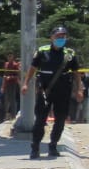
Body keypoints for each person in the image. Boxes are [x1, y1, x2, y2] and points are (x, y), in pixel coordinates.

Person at [22, 24, 84, 159]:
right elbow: (32, 69)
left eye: (63, 37)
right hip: (45, 91)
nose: (61, 39)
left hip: (63, 92)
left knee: (60, 120)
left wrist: (79, 89)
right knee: (40, 120)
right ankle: (35, 147)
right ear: (52, 38)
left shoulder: (70, 54)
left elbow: (76, 73)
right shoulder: (42, 51)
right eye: (58, 36)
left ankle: (53, 145)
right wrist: (25, 84)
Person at [2, 52, 21, 120]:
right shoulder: (6, 64)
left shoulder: (15, 64)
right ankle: (7, 116)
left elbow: (17, 75)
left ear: (12, 57)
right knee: (6, 100)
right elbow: (5, 73)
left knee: (12, 99)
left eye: (10, 56)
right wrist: (3, 86)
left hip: (13, 83)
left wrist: (10, 77)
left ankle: (13, 115)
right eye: (8, 56)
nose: (9, 57)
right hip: (6, 83)